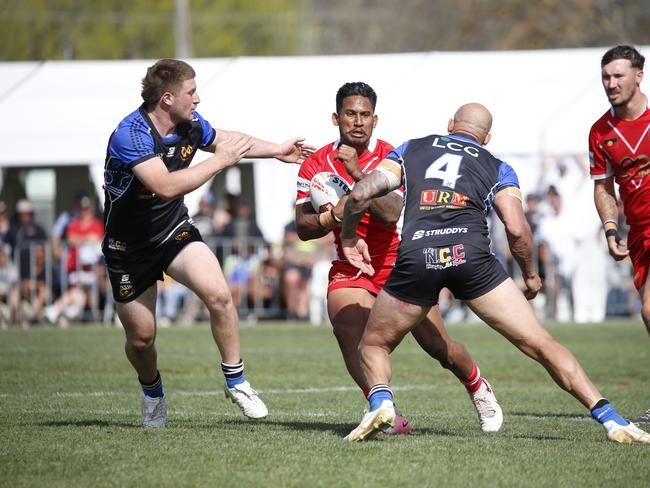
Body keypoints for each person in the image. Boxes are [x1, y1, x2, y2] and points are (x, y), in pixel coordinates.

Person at [340, 102, 650, 444]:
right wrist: (530, 274)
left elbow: (360, 192)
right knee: (540, 344)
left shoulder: (412, 148)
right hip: (472, 259)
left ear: (449, 124)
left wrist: (349, 234)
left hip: (418, 256)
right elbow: (516, 229)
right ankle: (610, 418)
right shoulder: (497, 166)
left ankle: (382, 401)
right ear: (487, 138)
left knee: (373, 344)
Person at [102, 58, 314, 427]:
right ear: (167, 98)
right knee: (142, 339)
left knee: (218, 294)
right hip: (128, 249)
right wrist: (221, 163)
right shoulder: (131, 134)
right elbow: (166, 186)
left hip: (172, 232)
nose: (198, 99)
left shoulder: (189, 125)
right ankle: (152, 390)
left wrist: (277, 150)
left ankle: (237, 382)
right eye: (191, 92)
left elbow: (226, 140)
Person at [295, 82, 502, 434]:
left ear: (375, 120)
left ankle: (477, 386)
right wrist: (333, 218)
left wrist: (360, 174)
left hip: (397, 263)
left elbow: (392, 213)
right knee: (347, 329)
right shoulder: (316, 164)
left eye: (364, 115)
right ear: (336, 117)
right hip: (351, 264)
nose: (357, 122)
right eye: (350, 114)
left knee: (440, 347)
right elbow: (303, 226)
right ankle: (384, 410)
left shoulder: (395, 155)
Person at [589, 44, 650, 423]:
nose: (611, 84)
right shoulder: (600, 132)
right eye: (606, 78)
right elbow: (602, 188)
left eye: (618, 76)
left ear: (639, 76)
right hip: (640, 234)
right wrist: (611, 227)